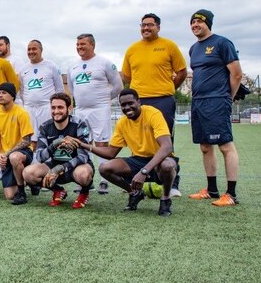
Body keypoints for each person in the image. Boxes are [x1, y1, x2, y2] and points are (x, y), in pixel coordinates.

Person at [71, 88, 177, 217]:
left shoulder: (153, 114)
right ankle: (134, 193)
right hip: (138, 159)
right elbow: (111, 153)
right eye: (123, 105)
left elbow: (166, 147)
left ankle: (165, 199)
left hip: (159, 160)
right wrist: (83, 145)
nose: (127, 107)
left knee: (167, 166)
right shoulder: (122, 122)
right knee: (105, 168)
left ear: (139, 101)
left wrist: (144, 171)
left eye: (130, 103)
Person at [122, 13, 187, 197]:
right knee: (139, 140)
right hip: (139, 102)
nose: (146, 28)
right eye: (143, 25)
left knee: (166, 142)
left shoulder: (169, 46)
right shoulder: (132, 49)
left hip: (163, 100)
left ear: (158, 27)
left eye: (150, 25)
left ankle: (172, 183)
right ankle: (137, 178)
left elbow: (181, 72)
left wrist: (167, 88)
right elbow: (127, 76)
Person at [187, 9, 242, 206]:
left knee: (225, 146)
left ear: (208, 23)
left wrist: (227, 98)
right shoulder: (193, 49)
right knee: (204, 146)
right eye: (192, 22)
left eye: (199, 22)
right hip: (198, 102)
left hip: (217, 101)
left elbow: (236, 74)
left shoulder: (222, 43)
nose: (195, 25)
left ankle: (231, 194)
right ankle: (211, 190)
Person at [67, 34, 123, 194]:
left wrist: (104, 100)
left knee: (101, 144)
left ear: (92, 45)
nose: (79, 47)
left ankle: (104, 181)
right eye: (77, 44)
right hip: (81, 111)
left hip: (100, 110)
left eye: (83, 44)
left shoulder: (104, 62)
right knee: (82, 144)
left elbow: (118, 86)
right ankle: (87, 179)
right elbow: (72, 90)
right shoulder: (72, 66)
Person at [23, 93, 94, 208]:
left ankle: (84, 193)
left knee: (83, 175)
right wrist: (56, 144)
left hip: (76, 166)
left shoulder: (79, 124)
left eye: (60, 107)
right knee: (28, 173)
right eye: (53, 107)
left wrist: (60, 168)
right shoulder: (45, 127)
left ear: (69, 108)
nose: (56, 111)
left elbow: (83, 157)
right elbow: (40, 157)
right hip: (55, 163)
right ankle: (57, 190)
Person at [0, 82, 35, 205]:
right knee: (9, 195)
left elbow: (27, 140)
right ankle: (30, 182)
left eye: (4, 93)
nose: (0, 95)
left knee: (14, 157)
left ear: (12, 96)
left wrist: (7, 154)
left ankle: (22, 192)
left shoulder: (21, 113)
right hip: (6, 155)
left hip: (23, 152)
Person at [19, 39, 64, 143]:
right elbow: (22, 91)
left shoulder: (51, 66)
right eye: (29, 49)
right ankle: (34, 159)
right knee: (30, 140)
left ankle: (48, 159)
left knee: (48, 138)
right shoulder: (23, 69)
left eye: (34, 49)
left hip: (46, 108)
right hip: (29, 109)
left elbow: (60, 89)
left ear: (41, 50)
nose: (31, 52)